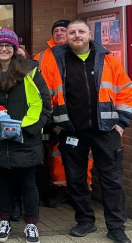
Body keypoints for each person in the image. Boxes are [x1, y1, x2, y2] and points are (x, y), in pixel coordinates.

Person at [39, 20, 132, 243]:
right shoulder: (56, 60)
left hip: (105, 131)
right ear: (67, 36)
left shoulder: (107, 58)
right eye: (72, 32)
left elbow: (126, 89)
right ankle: (85, 221)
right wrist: (54, 125)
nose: (76, 35)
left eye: (81, 31)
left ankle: (116, 227)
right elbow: (46, 93)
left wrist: (121, 123)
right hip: (71, 131)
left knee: (112, 180)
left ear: (89, 34)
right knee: (76, 179)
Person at [0, 29, 51, 243]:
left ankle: (31, 225)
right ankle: (4, 221)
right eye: (0, 45)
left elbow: (45, 104)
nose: (4, 49)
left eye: (8, 45)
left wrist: (29, 129)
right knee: (3, 183)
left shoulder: (30, 71)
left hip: (26, 137)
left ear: (15, 48)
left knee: (28, 183)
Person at [34, 19, 96, 209]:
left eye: (63, 30)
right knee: (56, 153)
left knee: (85, 155)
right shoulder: (42, 56)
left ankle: (83, 191)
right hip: (53, 114)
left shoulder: (84, 54)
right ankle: (59, 190)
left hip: (80, 115)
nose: (59, 33)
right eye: (56, 30)